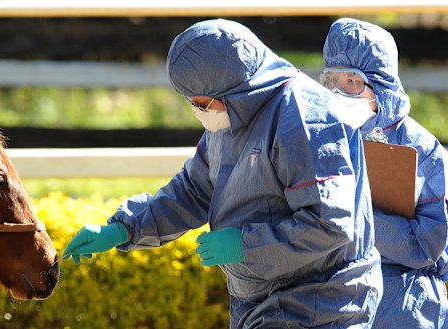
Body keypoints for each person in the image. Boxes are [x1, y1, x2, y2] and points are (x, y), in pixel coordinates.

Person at [64, 18, 383, 328]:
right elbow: (193, 190)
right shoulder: (232, 114)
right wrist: (123, 229)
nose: (195, 107)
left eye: (198, 100)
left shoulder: (303, 118)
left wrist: (246, 246)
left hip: (321, 303)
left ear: (230, 88)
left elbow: (329, 224)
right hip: (262, 299)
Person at [322, 18, 448, 329]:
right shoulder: (327, 140)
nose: (339, 91)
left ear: (381, 84)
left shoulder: (424, 151)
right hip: (339, 306)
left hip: (406, 309)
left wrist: (355, 221)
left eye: (352, 81)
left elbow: (426, 246)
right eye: (331, 80)